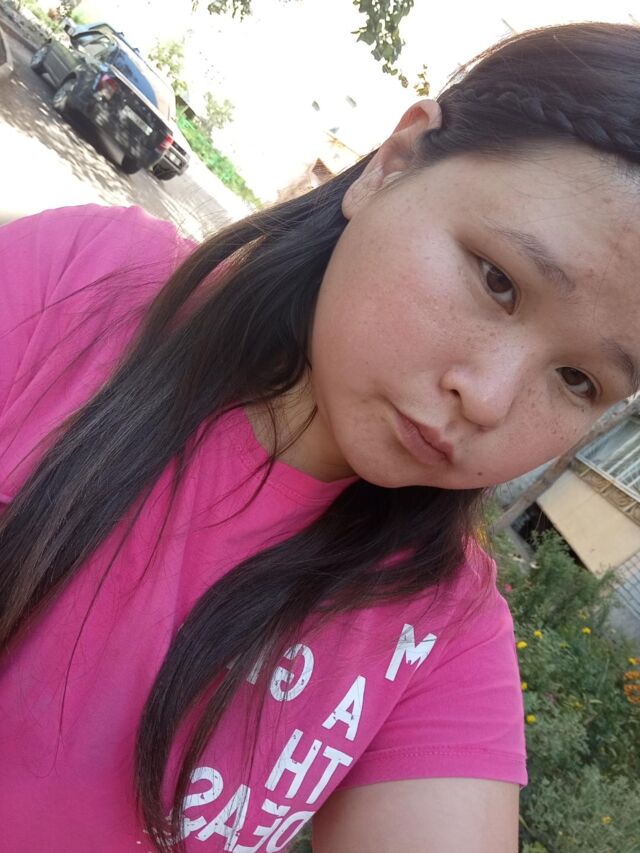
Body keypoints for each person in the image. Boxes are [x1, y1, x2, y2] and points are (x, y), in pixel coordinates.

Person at [1, 19, 639, 853]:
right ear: (393, 162)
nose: (487, 398)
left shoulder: (440, 637)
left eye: (578, 380)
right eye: (498, 280)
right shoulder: (83, 286)